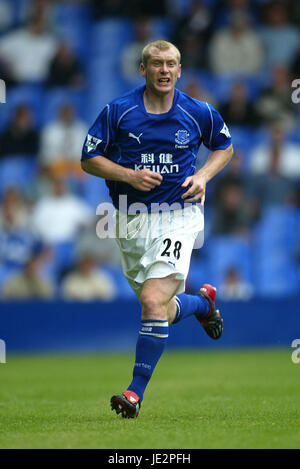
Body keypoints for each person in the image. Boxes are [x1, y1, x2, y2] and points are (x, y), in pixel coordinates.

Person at [81, 40, 233, 418]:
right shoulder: (118, 111)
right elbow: (88, 159)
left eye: (171, 64)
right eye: (157, 64)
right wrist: (128, 175)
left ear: (180, 71)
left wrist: (203, 175)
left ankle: (134, 393)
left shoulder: (198, 112)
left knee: (152, 300)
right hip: (129, 218)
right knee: (160, 311)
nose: (164, 70)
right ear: (143, 70)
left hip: (179, 214)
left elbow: (225, 147)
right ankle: (202, 303)